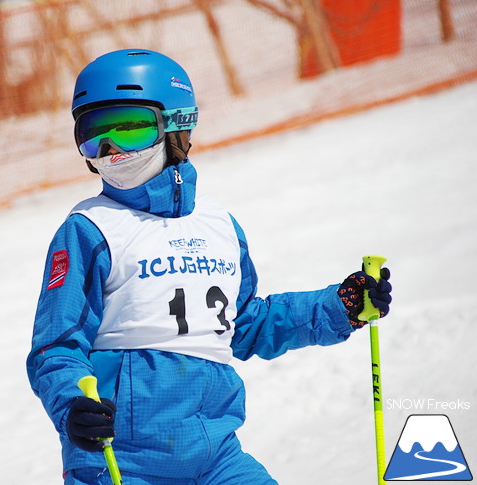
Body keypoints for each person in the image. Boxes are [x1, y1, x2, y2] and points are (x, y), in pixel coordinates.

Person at [26, 49, 392, 485]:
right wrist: (72, 407)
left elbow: (246, 323)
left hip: (216, 456)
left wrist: (339, 306)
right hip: (121, 461)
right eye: (94, 135)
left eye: (130, 128)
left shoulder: (219, 225)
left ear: (178, 124)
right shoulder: (90, 229)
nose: (111, 151)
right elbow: (57, 346)